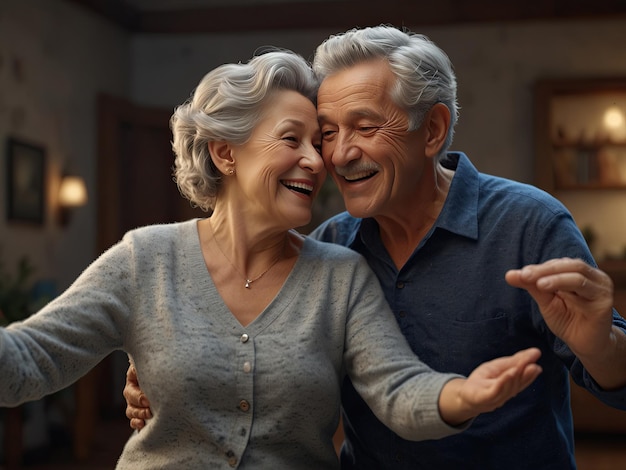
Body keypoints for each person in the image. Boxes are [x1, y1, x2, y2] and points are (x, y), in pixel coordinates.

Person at [0, 50, 543, 469]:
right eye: (293, 140)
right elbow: (28, 360)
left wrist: (463, 395)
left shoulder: (339, 273)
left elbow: (398, 390)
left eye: (318, 140)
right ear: (225, 151)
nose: (318, 160)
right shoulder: (145, 259)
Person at [122, 26, 626, 469]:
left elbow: (616, 377)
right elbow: (264, 365)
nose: (339, 155)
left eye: (364, 127)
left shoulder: (528, 224)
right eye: (328, 134)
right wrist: (166, 376)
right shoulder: (329, 247)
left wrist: (600, 344)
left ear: (432, 130)